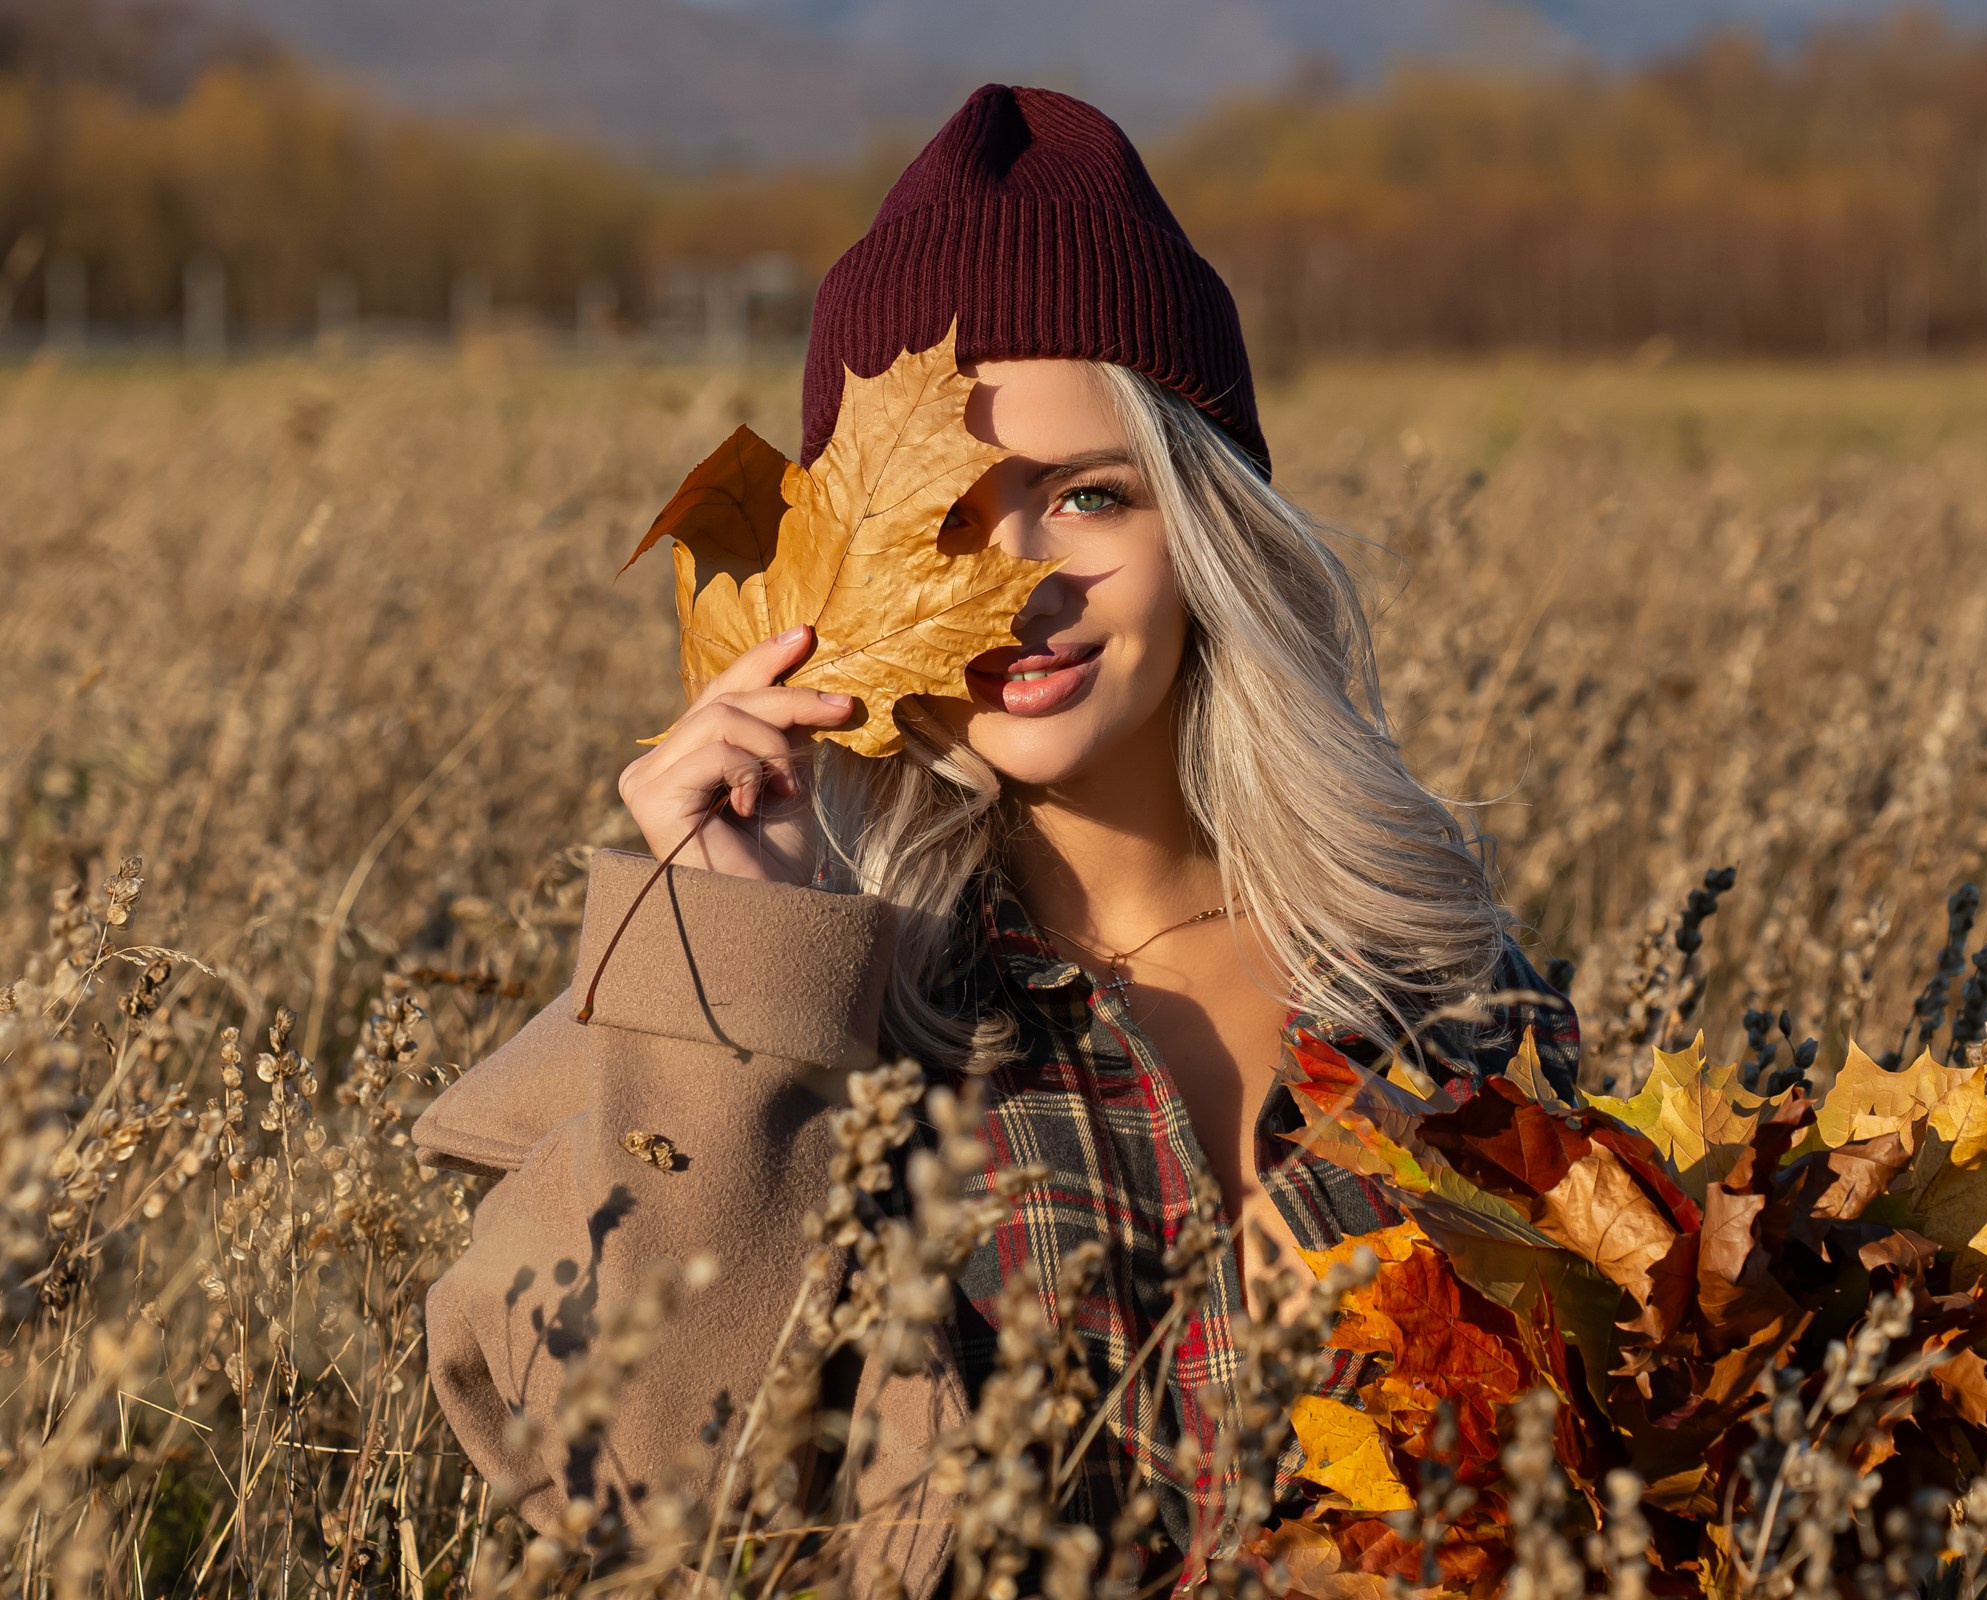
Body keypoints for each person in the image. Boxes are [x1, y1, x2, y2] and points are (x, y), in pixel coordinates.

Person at [413, 82, 1579, 1593]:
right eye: (945, 523)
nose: (1020, 582)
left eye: (1091, 497)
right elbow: (641, 1502)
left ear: (1207, 530)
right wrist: (731, 969)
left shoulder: (1438, 980)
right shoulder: (805, 1007)